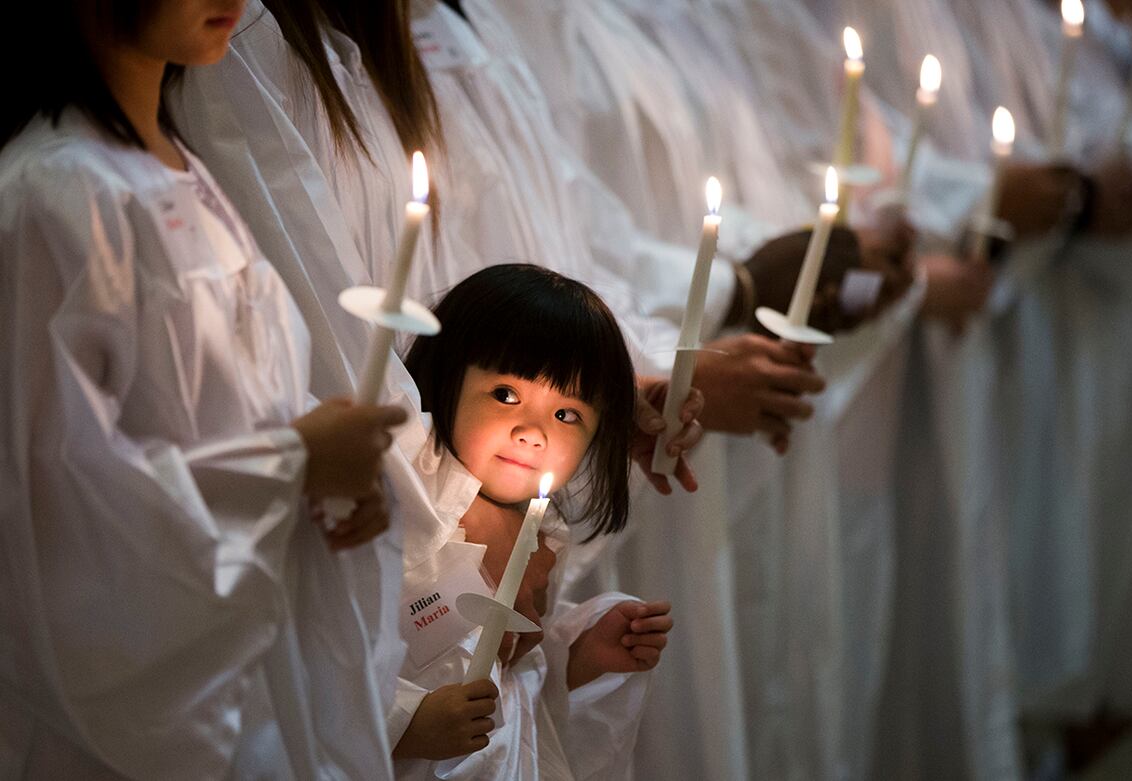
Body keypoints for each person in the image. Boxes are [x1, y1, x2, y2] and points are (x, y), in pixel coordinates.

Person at [0, 0, 406, 777]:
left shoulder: (185, 177)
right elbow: (55, 516)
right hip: (134, 720)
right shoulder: (52, 196)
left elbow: (224, 414)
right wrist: (290, 464)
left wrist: (328, 482)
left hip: (254, 681)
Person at [396, 264, 674, 779]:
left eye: (567, 415)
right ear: (446, 377)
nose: (533, 432)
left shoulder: (543, 534)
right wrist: (404, 726)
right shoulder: (402, 507)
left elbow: (517, 687)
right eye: (506, 395)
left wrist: (581, 657)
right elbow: (330, 652)